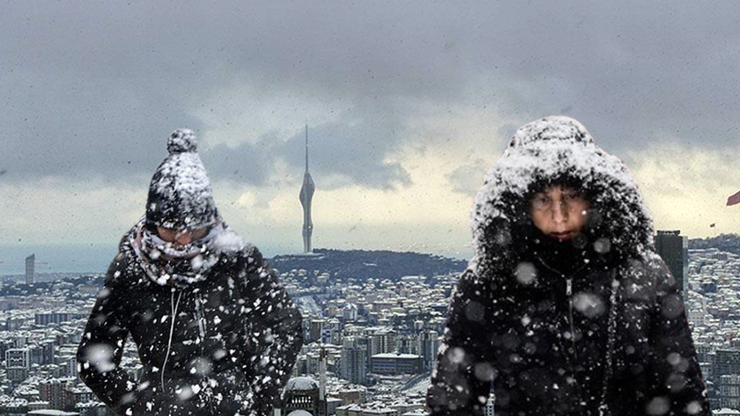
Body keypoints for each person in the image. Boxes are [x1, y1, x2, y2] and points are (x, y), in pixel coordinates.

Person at [426, 117, 709, 416]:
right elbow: (454, 400)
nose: (559, 216)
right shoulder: (489, 282)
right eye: (543, 199)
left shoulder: (644, 275)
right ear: (519, 203)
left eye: (571, 196)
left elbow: (682, 394)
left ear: (596, 195)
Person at [77, 129, 303, 416]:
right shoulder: (132, 270)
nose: (183, 240)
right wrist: (144, 407)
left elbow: (287, 326)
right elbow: (94, 359)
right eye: (172, 228)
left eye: (194, 228)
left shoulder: (238, 260)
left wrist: (261, 396)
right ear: (152, 222)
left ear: (209, 221)